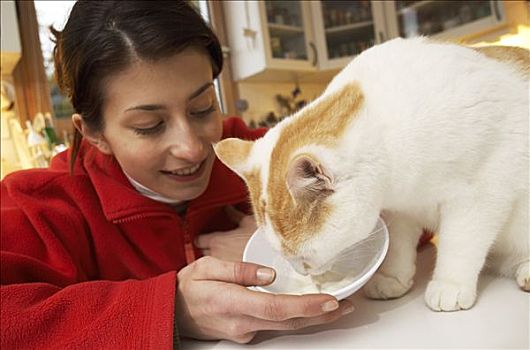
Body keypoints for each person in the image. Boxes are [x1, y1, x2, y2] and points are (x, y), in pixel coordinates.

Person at [0, 1, 354, 348]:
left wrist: (273, 241)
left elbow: (400, 204)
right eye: (149, 125)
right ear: (94, 133)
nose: (191, 147)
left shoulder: (261, 155)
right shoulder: (43, 203)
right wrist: (173, 308)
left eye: (202, 108)